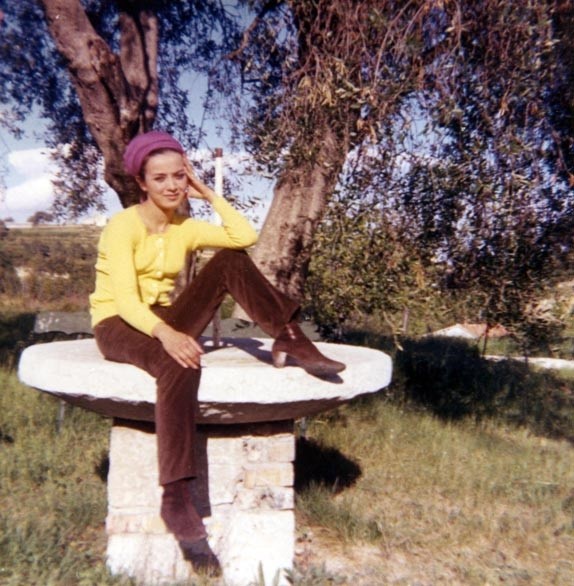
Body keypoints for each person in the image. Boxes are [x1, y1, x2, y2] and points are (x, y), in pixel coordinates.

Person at [89, 130, 345, 567]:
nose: (172, 186)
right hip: (118, 323)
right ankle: (175, 497)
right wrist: (168, 336)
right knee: (179, 364)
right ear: (142, 182)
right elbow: (127, 302)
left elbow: (242, 238)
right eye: (160, 178)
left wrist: (209, 195)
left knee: (229, 261)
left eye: (180, 176)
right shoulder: (123, 226)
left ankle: (289, 336)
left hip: (163, 318)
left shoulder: (184, 227)